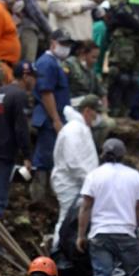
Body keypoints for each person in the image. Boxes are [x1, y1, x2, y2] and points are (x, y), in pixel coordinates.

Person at [76, 138, 139, 276]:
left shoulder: (94, 175)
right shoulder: (133, 176)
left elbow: (85, 207)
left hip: (100, 234)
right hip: (126, 233)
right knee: (137, 275)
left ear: (103, 155)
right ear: (123, 155)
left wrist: (81, 235)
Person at [0, 61, 34, 218]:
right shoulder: (20, 96)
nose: (35, 81)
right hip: (4, 153)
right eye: (33, 77)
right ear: (25, 76)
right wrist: (27, 155)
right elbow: (21, 128)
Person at [51, 94, 101, 248]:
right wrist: (90, 180)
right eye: (96, 112)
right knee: (66, 219)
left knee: (73, 220)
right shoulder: (73, 129)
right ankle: (57, 251)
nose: (97, 117)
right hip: (69, 183)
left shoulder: (81, 128)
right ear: (87, 111)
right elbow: (73, 162)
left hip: (78, 183)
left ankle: (65, 253)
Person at [30, 28, 73, 202]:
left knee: (52, 158)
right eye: (63, 44)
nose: (66, 48)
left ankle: (47, 197)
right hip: (48, 120)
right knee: (44, 158)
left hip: (54, 118)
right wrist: (55, 119)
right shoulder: (47, 63)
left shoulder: (56, 63)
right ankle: (38, 199)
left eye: (68, 45)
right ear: (53, 43)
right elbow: (46, 93)